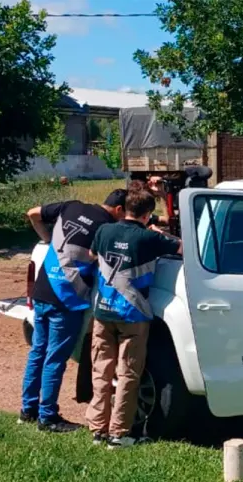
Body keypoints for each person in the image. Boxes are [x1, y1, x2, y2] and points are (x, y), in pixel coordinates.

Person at [19, 190, 127, 432]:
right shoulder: (106, 228)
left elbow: (33, 213)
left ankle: (28, 409)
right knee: (55, 359)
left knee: (38, 352)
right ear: (119, 210)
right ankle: (47, 418)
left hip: (42, 290)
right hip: (66, 299)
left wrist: (47, 239)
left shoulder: (71, 206)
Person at [86, 188, 183, 448]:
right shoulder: (148, 238)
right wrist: (160, 235)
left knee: (101, 371)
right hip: (133, 314)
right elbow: (183, 248)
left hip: (103, 310)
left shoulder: (104, 231)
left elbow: (92, 256)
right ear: (147, 214)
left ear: (125, 208)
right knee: (128, 373)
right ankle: (119, 433)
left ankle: (97, 429)